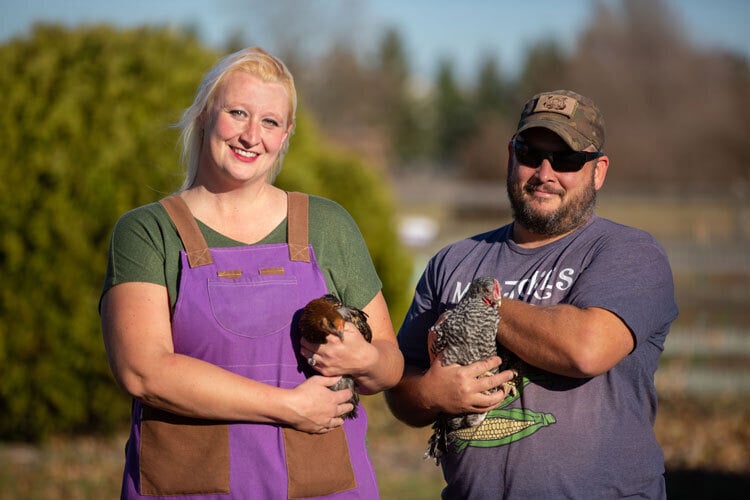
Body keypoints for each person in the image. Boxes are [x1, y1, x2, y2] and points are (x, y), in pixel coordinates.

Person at [100, 46, 403, 499]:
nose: (250, 135)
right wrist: (289, 407)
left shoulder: (327, 224)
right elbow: (143, 371)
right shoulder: (148, 232)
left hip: (324, 486)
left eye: (270, 122)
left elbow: (390, 364)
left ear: (286, 135)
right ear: (205, 116)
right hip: (189, 487)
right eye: (237, 113)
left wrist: (366, 360)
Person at [386, 90, 678, 499]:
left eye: (567, 159)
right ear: (511, 156)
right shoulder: (452, 260)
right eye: (530, 153)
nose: (544, 172)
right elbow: (401, 385)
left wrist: (482, 307)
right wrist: (430, 393)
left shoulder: (629, 253)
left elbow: (586, 349)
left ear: (598, 171)